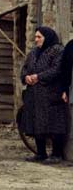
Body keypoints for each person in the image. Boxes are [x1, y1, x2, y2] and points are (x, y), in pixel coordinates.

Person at [20, 26, 67, 164]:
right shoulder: (33, 52)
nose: (36, 40)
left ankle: (56, 154)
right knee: (36, 123)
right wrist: (26, 77)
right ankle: (41, 153)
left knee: (54, 123)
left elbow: (57, 69)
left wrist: (38, 77)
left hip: (51, 93)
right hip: (34, 94)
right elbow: (25, 68)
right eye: (35, 37)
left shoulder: (58, 50)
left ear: (47, 37)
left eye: (39, 37)